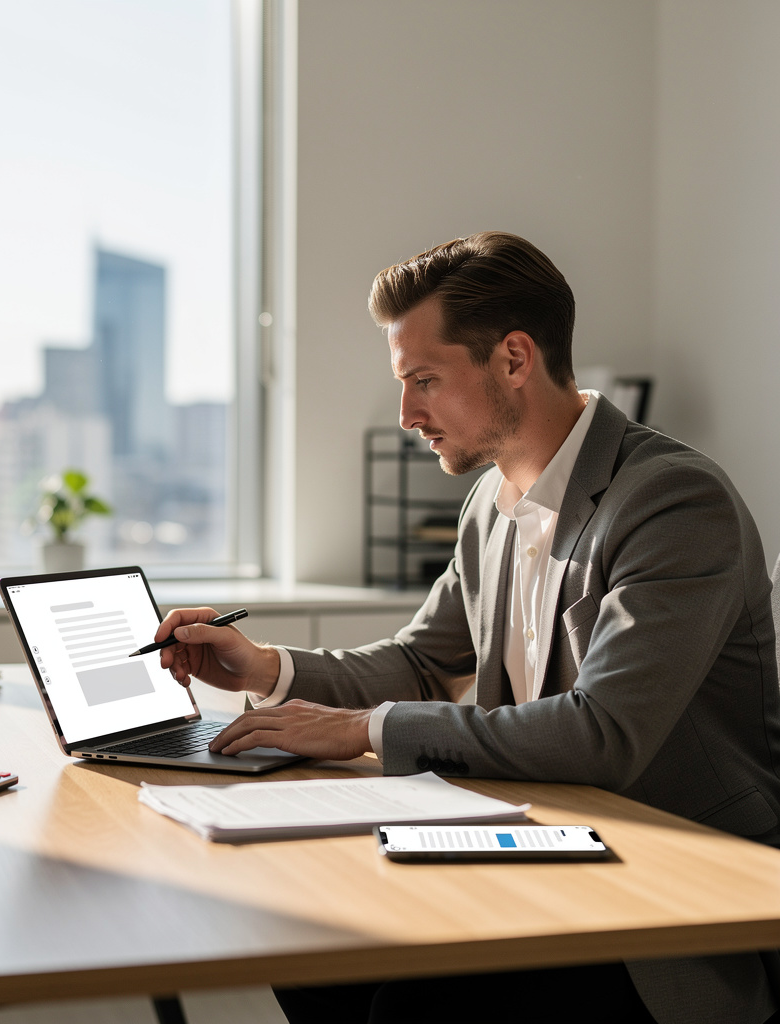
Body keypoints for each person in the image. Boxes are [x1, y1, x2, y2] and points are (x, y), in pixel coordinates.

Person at [156, 232, 780, 1024]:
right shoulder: (490, 504)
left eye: (424, 380)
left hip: (671, 897)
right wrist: (265, 668)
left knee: (414, 1008)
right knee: (305, 943)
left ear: (514, 358)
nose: (408, 413)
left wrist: (364, 728)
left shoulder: (672, 502)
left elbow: (603, 734)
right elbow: (423, 662)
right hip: (546, 852)